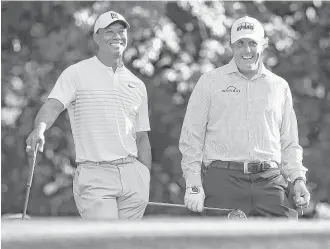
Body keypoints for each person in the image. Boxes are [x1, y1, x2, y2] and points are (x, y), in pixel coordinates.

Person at [179, 16, 310, 218]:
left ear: (263, 44)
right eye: (240, 43)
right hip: (223, 179)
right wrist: (194, 184)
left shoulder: (279, 86)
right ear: (231, 45)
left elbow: (289, 142)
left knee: (285, 239)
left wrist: (298, 179)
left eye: (252, 43)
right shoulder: (209, 82)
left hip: (270, 180)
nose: (247, 50)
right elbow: (191, 138)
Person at [25, 11, 152, 220]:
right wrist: (39, 129)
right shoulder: (76, 73)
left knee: (128, 243)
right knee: (107, 242)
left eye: (121, 31)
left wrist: (144, 177)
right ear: (96, 37)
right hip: (95, 176)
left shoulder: (137, 84)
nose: (117, 36)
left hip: (133, 177)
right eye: (109, 32)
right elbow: (53, 106)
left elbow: (142, 138)